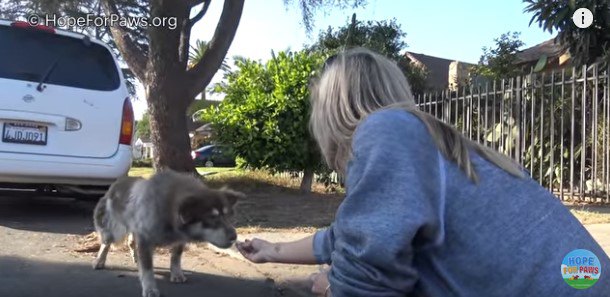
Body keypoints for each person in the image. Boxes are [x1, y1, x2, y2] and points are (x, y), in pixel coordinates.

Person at [236, 47, 610, 296]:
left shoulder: (385, 129)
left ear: (331, 110)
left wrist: (329, 285)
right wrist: (273, 251)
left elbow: (366, 274)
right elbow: (356, 237)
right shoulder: (423, 140)